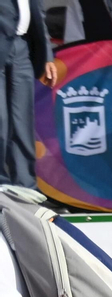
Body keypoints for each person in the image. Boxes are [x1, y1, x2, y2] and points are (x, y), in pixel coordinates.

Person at [1, 0, 56, 187]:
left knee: (22, 121)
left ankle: (25, 187)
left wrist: (47, 56)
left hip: (22, 47)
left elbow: (38, 13)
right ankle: (2, 185)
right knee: (1, 120)